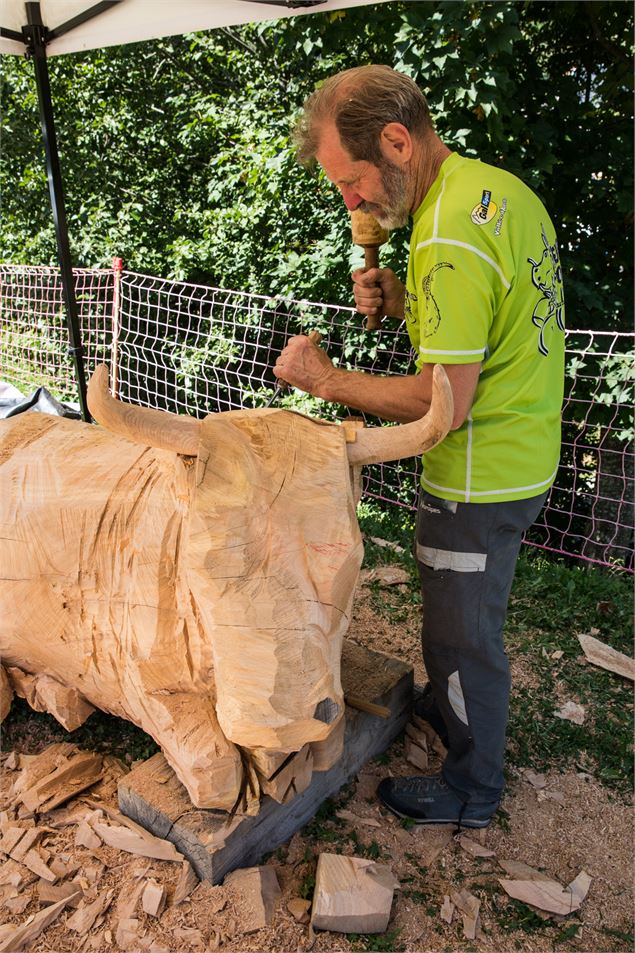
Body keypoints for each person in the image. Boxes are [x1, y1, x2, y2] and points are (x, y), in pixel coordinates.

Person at [274, 65, 565, 828]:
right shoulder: (492, 190)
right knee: (461, 629)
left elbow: (440, 401)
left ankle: (472, 789)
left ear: (397, 141)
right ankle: (451, 700)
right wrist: (406, 301)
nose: (351, 201)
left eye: (353, 179)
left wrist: (325, 378)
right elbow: (483, 328)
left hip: (478, 474)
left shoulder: (443, 234)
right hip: (526, 449)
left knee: (460, 634)